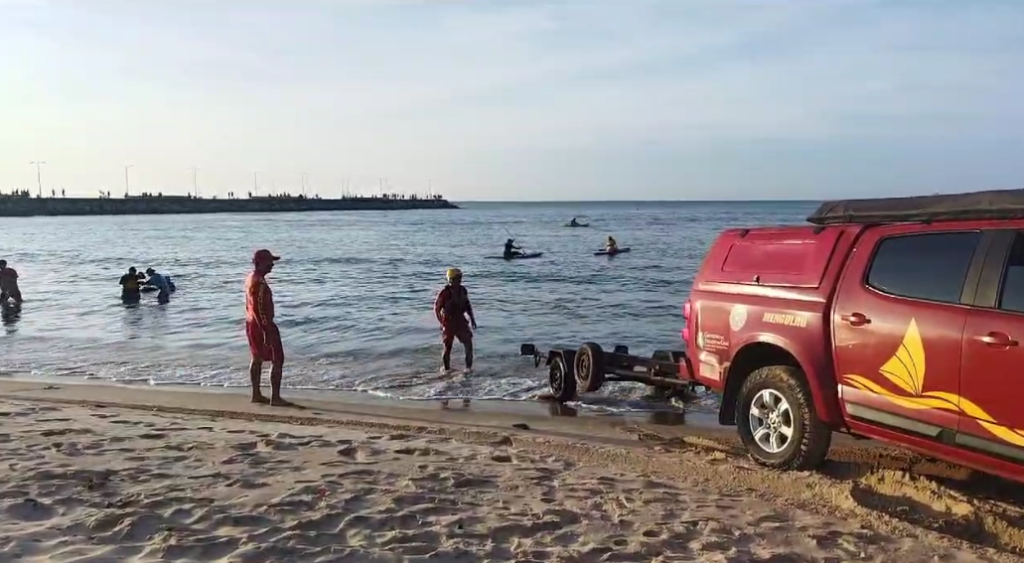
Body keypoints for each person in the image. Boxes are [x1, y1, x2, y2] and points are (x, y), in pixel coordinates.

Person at [245, 249, 290, 406]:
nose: (272, 265)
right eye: (269, 262)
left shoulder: (251, 278)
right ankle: (275, 397)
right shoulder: (259, 283)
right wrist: (266, 330)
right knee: (278, 359)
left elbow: (250, 306)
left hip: (251, 323)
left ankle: (256, 394)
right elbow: (259, 308)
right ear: (259, 263)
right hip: (262, 324)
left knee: (256, 358)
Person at [433, 268, 477, 375]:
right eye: (457, 278)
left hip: (461, 320)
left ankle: (468, 369)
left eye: (460, 277)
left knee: (468, 344)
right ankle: (446, 370)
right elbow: (437, 309)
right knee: (448, 347)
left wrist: (472, 319)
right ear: (451, 279)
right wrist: (441, 322)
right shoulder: (445, 293)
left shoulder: (463, 290)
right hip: (449, 321)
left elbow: (467, 305)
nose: (460, 280)